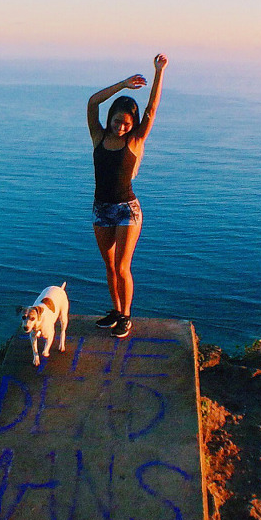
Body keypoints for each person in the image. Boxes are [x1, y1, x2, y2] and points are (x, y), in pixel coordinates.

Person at [86, 53, 167, 338]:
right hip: (101, 209)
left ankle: (127, 316)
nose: (121, 126)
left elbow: (152, 110)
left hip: (126, 210)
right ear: (111, 119)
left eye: (127, 123)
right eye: (118, 121)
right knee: (109, 266)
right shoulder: (98, 137)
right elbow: (93, 102)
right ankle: (116, 310)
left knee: (122, 267)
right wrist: (122, 84)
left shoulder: (134, 141)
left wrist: (158, 72)